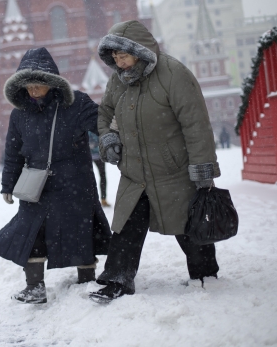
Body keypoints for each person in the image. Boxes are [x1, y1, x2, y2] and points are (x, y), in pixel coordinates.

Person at [89, 20, 221, 303]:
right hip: (134, 171)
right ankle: (117, 280)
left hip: (172, 170)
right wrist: (108, 138)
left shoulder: (174, 74)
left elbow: (196, 124)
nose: (118, 62)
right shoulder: (118, 79)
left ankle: (205, 275)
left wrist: (202, 168)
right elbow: (104, 114)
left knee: (188, 225)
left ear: (140, 52)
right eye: (114, 57)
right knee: (124, 226)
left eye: (122, 56)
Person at [0, 47, 111, 304]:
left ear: (51, 83)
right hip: (36, 184)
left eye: (37, 84)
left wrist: (111, 139)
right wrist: (8, 184)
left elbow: (102, 124)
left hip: (75, 181)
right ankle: (34, 286)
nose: (32, 90)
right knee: (31, 231)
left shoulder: (76, 103)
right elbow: (13, 152)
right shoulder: (19, 115)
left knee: (80, 229)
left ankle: (86, 279)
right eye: (27, 85)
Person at [88, 131, 110, 207]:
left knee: (102, 177)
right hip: (89, 156)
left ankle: (103, 199)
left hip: (96, 156)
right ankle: (96, 199)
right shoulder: (93, 125)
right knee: (91, 178)